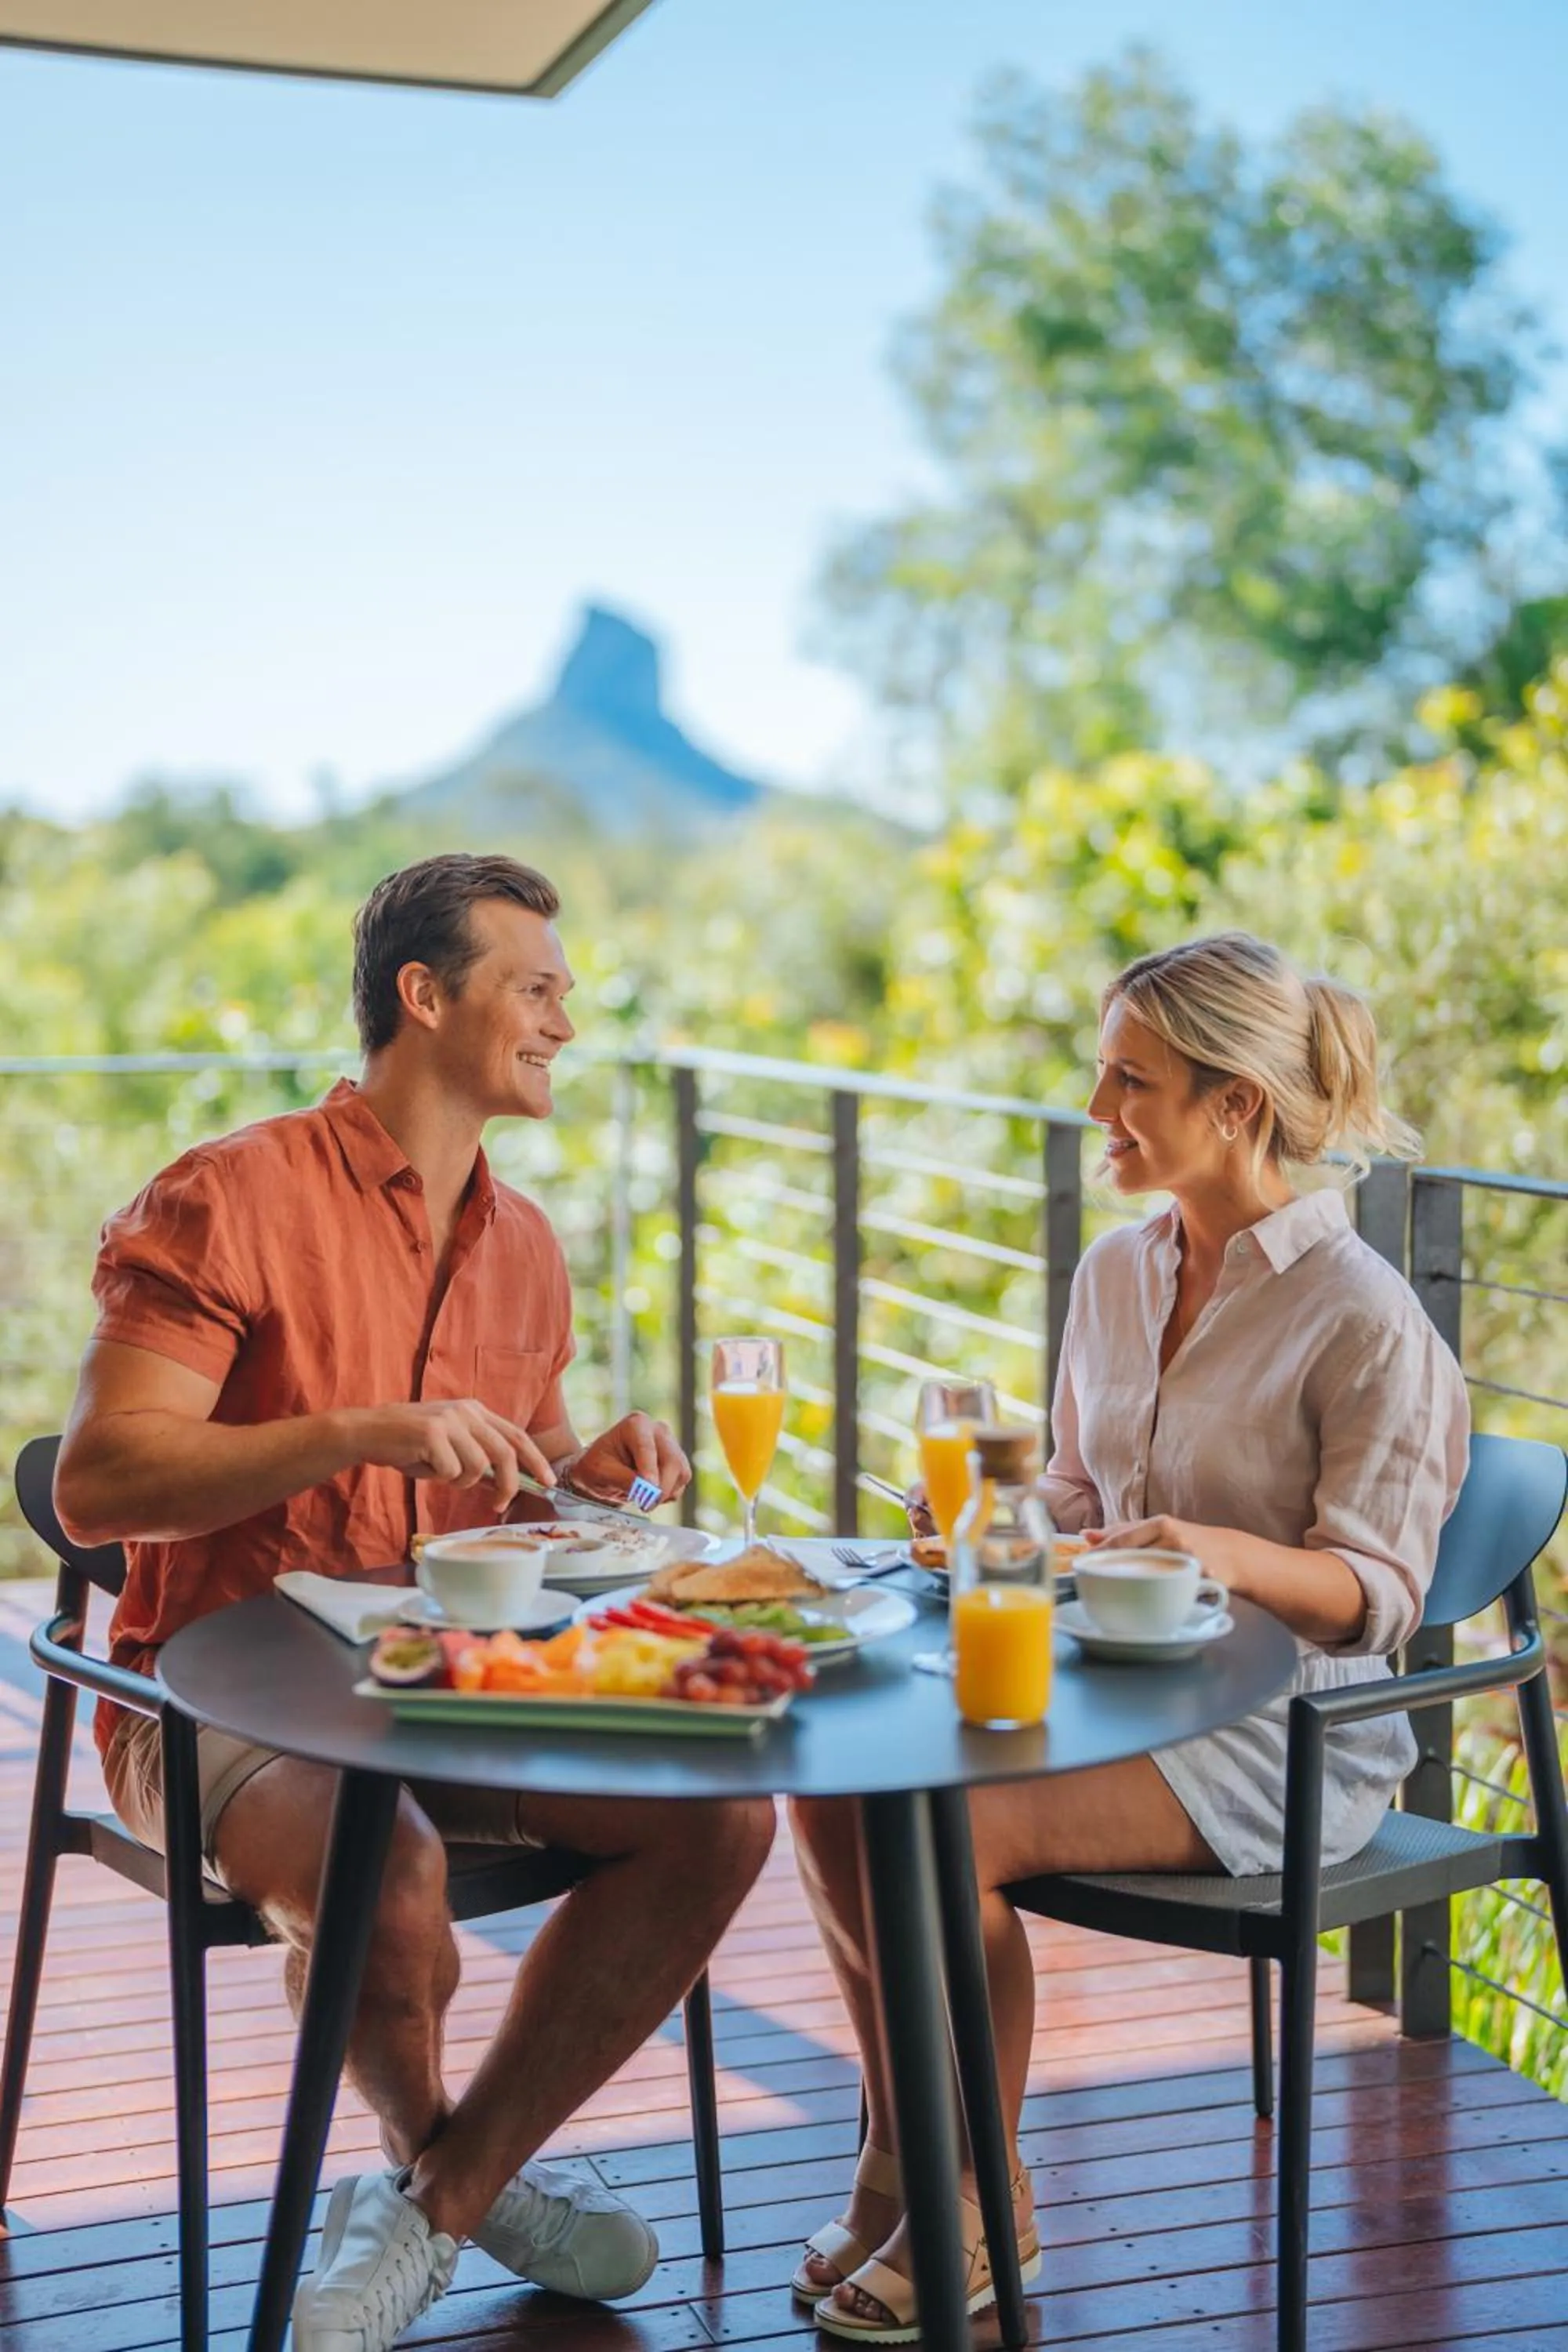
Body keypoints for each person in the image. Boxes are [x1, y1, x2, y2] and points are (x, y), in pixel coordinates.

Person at [54, 852, 776, 2352]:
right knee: (388, 1880)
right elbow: (98, 1487)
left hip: (453, 1683)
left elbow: (510, 1491)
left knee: (723, 1817)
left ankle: (442, 2192)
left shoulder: (522, 1245)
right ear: (425, 996)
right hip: (211, 1703)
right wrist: (358, 1429)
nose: (565, 1022)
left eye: (565, 992)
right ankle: (470, 2174)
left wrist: (593, 1471)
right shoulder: (228, 1196)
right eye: (537, 987)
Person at [788, 931, 1469, 2342]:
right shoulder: (1117, 1271)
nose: (1099, 1110)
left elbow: (1381, 1594)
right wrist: (987, 1514)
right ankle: (904, 2163)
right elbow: (1086, 1496)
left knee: (947, 1830)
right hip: (1107, 1685)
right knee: (825, 1779)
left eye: (1129, 1083)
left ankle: (976, 2203)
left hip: (1282, 1732)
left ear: (1237, 1105)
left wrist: (1217, 1550)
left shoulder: (1368, 1319)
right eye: (1102, 1075)